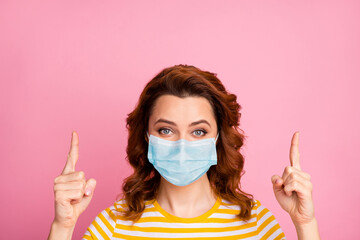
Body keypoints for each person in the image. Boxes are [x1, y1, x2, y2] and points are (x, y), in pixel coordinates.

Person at [48, 65, 320, 239]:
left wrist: (305, 223)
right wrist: (63, 227)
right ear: (147, 136)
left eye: (198, 132)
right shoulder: (113, 226)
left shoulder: (256, 225)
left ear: (217, 138)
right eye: (166, 130)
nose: (181, 145)